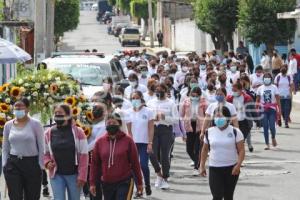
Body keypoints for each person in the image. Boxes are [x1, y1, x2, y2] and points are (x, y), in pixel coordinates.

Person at [90, 113, 143, 199]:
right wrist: (92, 183)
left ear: (120, 124)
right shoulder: (100, 142)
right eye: (109, 123)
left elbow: (135, 163)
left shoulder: (128, 141)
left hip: (124, 181)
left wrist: (139, 183)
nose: (111, 125)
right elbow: (95, 164)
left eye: (114, 123)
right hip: (107, 183)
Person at [2, 98, 44, 200]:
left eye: (21, 106)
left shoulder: (35, 124)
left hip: (31, 164)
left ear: (27, 109)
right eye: (16, 106)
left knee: (32, 195)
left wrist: (40, 165)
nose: (18, 108)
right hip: (13, 164)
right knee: (15, 196)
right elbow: (5, 147)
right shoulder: (8, 125)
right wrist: (5, 164)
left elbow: (42, 146)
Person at [200, 106, 245, 200]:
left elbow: (241, 150)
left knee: (228, 196)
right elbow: (204, 150)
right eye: (216, 117)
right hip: (214, 168)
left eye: (220, 116)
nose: (218, 119)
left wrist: (238, 165)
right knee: (217, 196)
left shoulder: (235, 131)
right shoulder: (209, 132)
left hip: (231, 168)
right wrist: (202, 165)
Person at [44, 104, 88, 200]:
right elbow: (45, 153)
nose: (57, 115)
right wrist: (47, 162)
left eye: (60, 113)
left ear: (68, 115)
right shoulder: (48, 133)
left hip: (74, 175)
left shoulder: (78, 132)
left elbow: (84, 155)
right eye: (55, 113)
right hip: (56, 174)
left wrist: (82, 175)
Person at [147, 83, 179, 189]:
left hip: (166, 130)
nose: (158, 92)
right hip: (153, 130)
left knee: (165, 155)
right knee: (152, 153)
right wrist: (153, 118)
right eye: (157, 90)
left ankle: (165, 177)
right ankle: (158, 173)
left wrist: (164, 117)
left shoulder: (171, 103)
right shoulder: (150, 102)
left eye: (161, 90)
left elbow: (176, 120)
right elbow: (146, 116)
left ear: (165, 91)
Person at [127, 91, 154, 197]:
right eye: (133, 98)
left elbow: (151, 128)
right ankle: (139, 188)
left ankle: (147, 184)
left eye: (137, 98)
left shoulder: (148, 111)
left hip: (144, 143)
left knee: (143, 165)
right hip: (133, 143)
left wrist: (150, 142)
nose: (135, 100)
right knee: (134, 167)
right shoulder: (128, 112)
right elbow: (129, 130)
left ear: (141, 99)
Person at [180, 87, 207, 175]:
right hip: (189, 126)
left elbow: (207, 115)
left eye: (196, 95)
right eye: (193, 95)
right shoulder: (186, 101)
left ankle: (196, 167)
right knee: (189, 149)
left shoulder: (203, 102)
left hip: (200, 126)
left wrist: (206, 128)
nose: (194, 97)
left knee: (197, 148)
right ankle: (197, 162)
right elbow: (181, 114)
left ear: (199, 95)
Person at [84, 103, 107, 199]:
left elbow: (96, 142)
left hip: (96, 157)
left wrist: (83, 150)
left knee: (96, 183)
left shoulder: (103, 125)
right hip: (88, 156)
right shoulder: (90, 123)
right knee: (90, 182)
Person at [256, 73, 281, 150]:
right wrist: (256, 110)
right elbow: (257, 100)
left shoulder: (274, 87)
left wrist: (279, 110)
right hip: (263, 109)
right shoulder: (260, 88)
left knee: (272, 127)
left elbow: (278, 100)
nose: (267, 79)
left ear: (271, 78)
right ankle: (267, 144)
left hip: (272, 109)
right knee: (265, 127)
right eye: (265, 77)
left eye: (268, 77)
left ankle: (273, 137)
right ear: (263, 79)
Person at [227, 82, 254, 152]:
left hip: (245, 122)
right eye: (233, 90)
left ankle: (239, 156)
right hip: (233, 122)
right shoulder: (229, 98)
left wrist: (258, 121)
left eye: (235, 90)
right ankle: (236, 157)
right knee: (234, 141)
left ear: (240, 90)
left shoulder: (247, 98)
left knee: (241, 140)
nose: (234, 92)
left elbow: (253, 110)